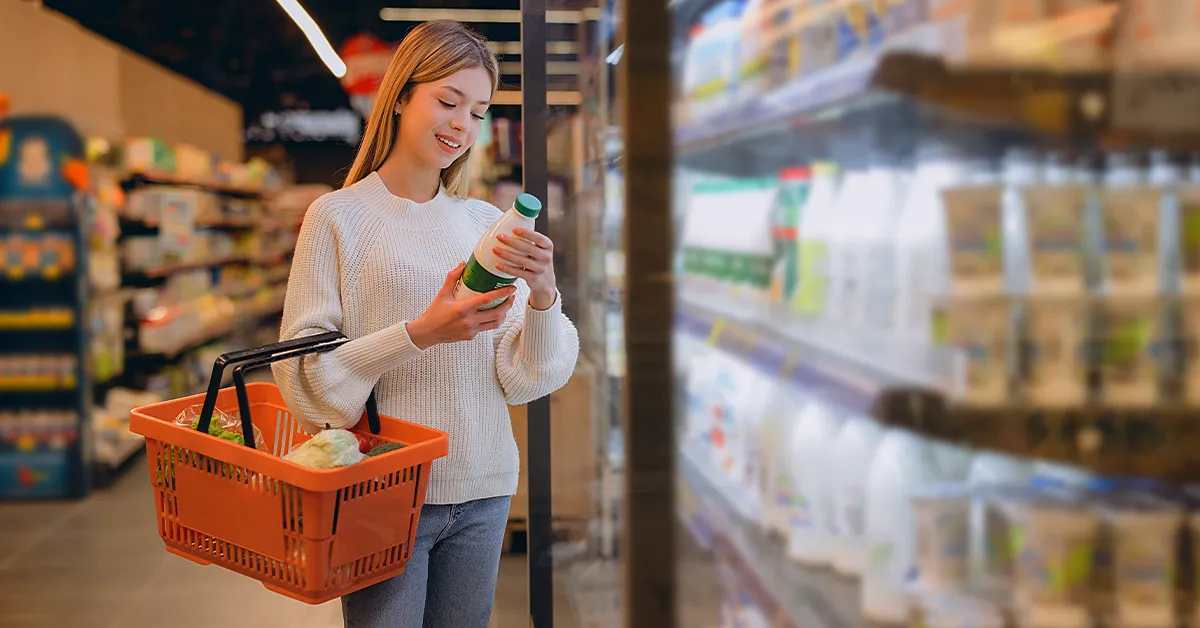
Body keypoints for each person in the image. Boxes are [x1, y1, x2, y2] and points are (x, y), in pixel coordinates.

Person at [272, 20, 579, 628]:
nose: (462, 124)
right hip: (381, 490)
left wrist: (544, 294)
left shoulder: (482, 226)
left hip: (484, 485)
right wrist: (419, 333)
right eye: (447, 101)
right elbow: (306, 382)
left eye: (478, 110)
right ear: (400, 97)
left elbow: (526, 379)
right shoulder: (337, 218)